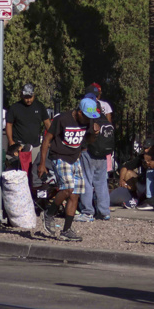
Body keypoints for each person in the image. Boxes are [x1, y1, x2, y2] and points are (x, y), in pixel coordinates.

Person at [38, 97, 100, 242]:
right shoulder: (63, 119)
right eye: (85, 116)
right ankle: (49, 213)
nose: (87, 120)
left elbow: (88, 140)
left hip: (75, 158)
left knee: (75, 195)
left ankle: (66, 230)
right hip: (59, 156)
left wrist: (95, 134)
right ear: (79, 112)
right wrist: (42, 163)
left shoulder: (88, 121)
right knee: (68, 189)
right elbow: (47, 140)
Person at [77, 92, 115, 222]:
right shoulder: (103, 116)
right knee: (101, 183)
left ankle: (88, 212)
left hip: (89, 152)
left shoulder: (88, 117)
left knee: (87, 181)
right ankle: (104, 212)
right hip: (103, 154)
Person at [5, 83, 50, 185]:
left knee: (34, 171)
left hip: (35, 146)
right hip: (20, 146)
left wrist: (52, 138)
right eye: (26, 97)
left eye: (30, 97)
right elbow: (9, 125)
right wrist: (11, 141)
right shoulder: (15, 107)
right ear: (21, 95)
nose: (28, 100)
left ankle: (34, 193)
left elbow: (47, 123)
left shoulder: (40, 106)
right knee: (20, 172)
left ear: (34, 95)